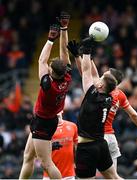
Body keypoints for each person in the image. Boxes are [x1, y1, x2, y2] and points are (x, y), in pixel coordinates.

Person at [67, 39, 137, 170]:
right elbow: (133, 114)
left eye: (105, 75)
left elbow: (86, 73)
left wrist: (82, 54)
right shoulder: (119, 95)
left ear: (108, 81)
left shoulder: (97, 93)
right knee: (113, 176)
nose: (101, 75)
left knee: (88, 175)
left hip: (94, 138)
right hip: (110, 137)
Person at [19, 12, 71, 179]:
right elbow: (64, 52)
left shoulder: (48, 86)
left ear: (51, 71)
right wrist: (64, 29)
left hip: (43, 122)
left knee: (46, 162)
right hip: (45, 120)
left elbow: (41, 60)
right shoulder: (66, 77)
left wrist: (50, 40)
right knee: (27, 157)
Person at [73, 37, 122, 179]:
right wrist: (80, 56)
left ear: (100, 86)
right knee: (114, 178)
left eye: (101, 79)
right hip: (101, 145)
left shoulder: (92, 96)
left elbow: (87, 72)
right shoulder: (109, 97)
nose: (98, 79)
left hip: (86, 148)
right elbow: (92, 74)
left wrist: (86, 51)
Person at [43, 112, 78, 180]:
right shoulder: (45, 128)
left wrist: (77, 163)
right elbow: (38, 152)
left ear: (62, 110)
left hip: (69, 175)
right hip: (49, 175)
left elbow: (77, 148)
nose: (56, 110)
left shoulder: (73, 126)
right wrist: (50, 147)